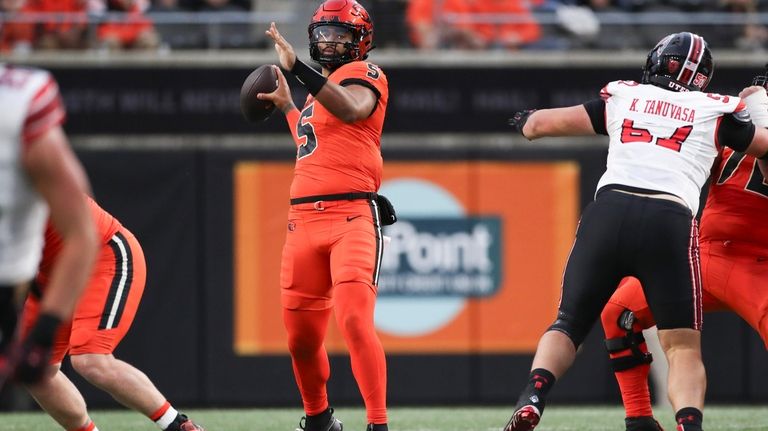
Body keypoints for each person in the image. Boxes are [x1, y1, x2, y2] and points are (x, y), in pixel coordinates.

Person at [504, 32, 768, 431]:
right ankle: (665, 420)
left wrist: (524, 121)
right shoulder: (717, 111)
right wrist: (757, 111)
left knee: (568, 323)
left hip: (614, 213)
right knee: (674, 343)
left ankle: (533, 397)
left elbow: (539, 124)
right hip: (681, 230)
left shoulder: (627, 96)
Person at [599, 70, 768, 431]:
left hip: (757, 263)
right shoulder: (732, 121)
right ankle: (640, 419)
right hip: (701, 255)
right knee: (619, 313)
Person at [255, 1, 392, 430]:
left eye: (341, 34)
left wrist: (296, 70)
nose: (330, 41)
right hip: (303, 223)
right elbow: (311, 142)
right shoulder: (319, 94)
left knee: (353, 319)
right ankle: (319, 420)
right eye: (325, 33)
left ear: (361, 41)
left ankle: (377, 423)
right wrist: (288, 109)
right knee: (300, 339)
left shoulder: (365, 75)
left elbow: (352, 109)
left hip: (351, 214)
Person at [18, 195, 205, 431]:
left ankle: (179, 426)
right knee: (31, 365)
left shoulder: (27, 174)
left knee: (91, 360)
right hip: (52, 276)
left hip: (101, 255)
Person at [0, 64, 98, 385]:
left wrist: (43, 333)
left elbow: (82, 233)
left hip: (7, 288)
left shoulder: (19, 101)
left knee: (92, 360)